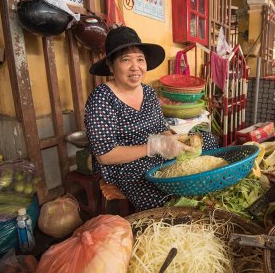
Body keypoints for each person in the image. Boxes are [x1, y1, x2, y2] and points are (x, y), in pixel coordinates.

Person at [84, 26, 218, 212]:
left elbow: (159, 127)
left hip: (155, 152)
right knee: (155, 189)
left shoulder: (147, 91)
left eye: (140, 59)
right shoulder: (101, 97)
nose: (135, 67)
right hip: (125, 164)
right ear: (110, 65)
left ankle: (200, 191)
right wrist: (153, 147)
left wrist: (173, 139)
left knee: (207, 140)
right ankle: (169, 218)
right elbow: (105, 155)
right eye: (125, 60)